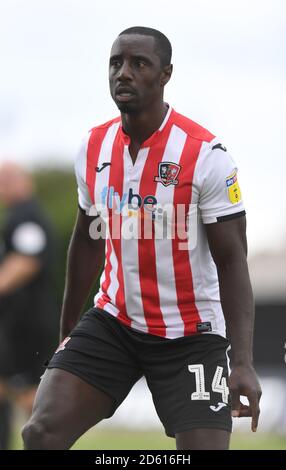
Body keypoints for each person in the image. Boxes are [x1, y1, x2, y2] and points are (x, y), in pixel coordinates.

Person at [22, 26, 262, 450]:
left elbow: (232, 261)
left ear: (166, 74)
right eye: (116, 63)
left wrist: (242, 360)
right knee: (41, 433)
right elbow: (88, 240)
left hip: (191, 333)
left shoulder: (205, 155)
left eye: (139, 63)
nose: (124, 73)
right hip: (115, 320)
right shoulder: (93, 148)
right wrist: (68, 331)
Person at [0, 162, 57, 449]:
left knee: (30, 393)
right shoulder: (16, 216)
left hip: (29, 324)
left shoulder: (27, 216)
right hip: (16, 323)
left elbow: (26, 261)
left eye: (7, 179)